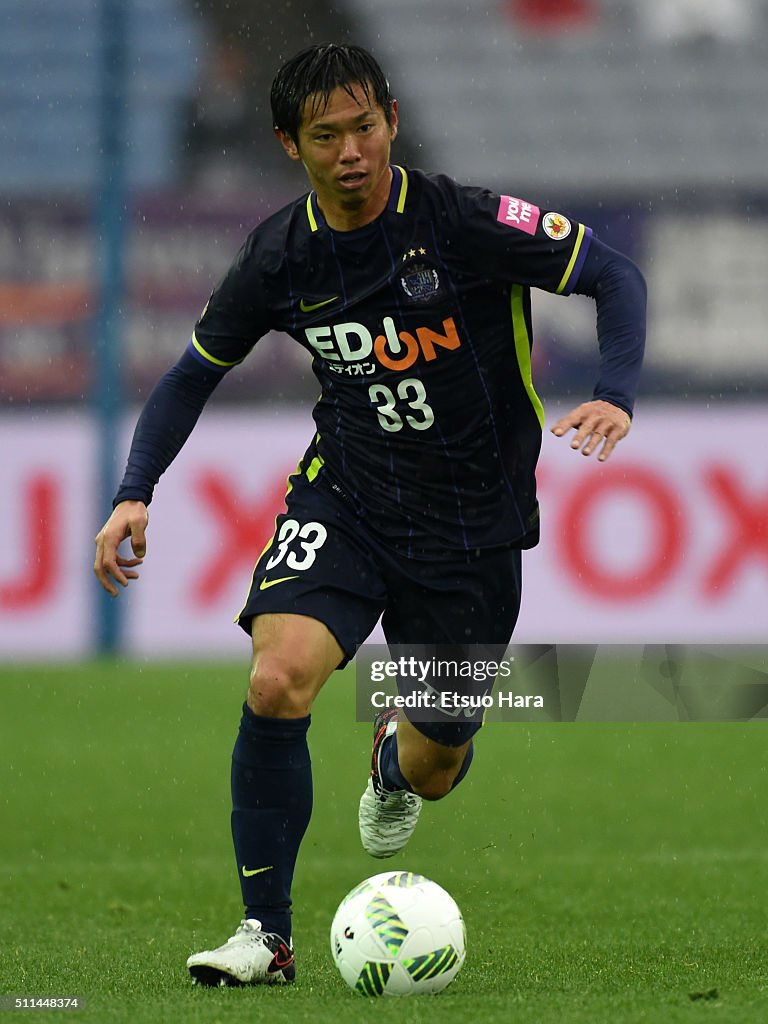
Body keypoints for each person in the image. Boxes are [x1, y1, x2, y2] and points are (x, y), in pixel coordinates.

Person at [93, 43, 646, 987]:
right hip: (345, 495)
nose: (351, 151)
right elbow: (192, 374)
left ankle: (396, 758)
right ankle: (264, 937)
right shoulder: (280, 253)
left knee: (438, 763)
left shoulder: (463, 221)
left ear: (390, 118)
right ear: (289, 144)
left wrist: (617, 392)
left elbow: (614, 275)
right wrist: (133, 490)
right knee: (278, 679)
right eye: (326, 136)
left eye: (364, 127)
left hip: (472, 529)